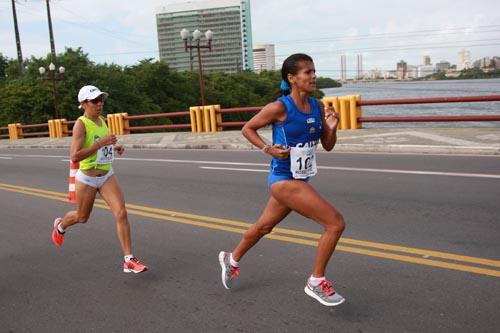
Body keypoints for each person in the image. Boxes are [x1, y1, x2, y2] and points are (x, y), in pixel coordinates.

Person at [218, 53, 345, 306]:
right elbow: (247, 128)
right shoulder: (280, 107)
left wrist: (331, 127)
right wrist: (268, 149)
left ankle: (231, 259)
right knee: (335, 224)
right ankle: (316, 281)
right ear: (292, 78)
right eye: (307, 72)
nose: (313, 76)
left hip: (299, 180)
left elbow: (328, 146)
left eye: (314, 71)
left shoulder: (318, 107)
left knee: (264, 227)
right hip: (283, 180)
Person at [51, 85, 148, 274]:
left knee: (121, 213)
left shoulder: (102, 121)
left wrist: (115, 147)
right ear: (83, 103)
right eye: (95, 100)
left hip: (106, 175)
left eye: (101, 99)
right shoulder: (81, 124)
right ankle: (61, 225)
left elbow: (105, 145)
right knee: (82, 217)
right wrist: (100, 143)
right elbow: (75, 156)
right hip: (87, 179)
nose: (100, 103)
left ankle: (128, 260)